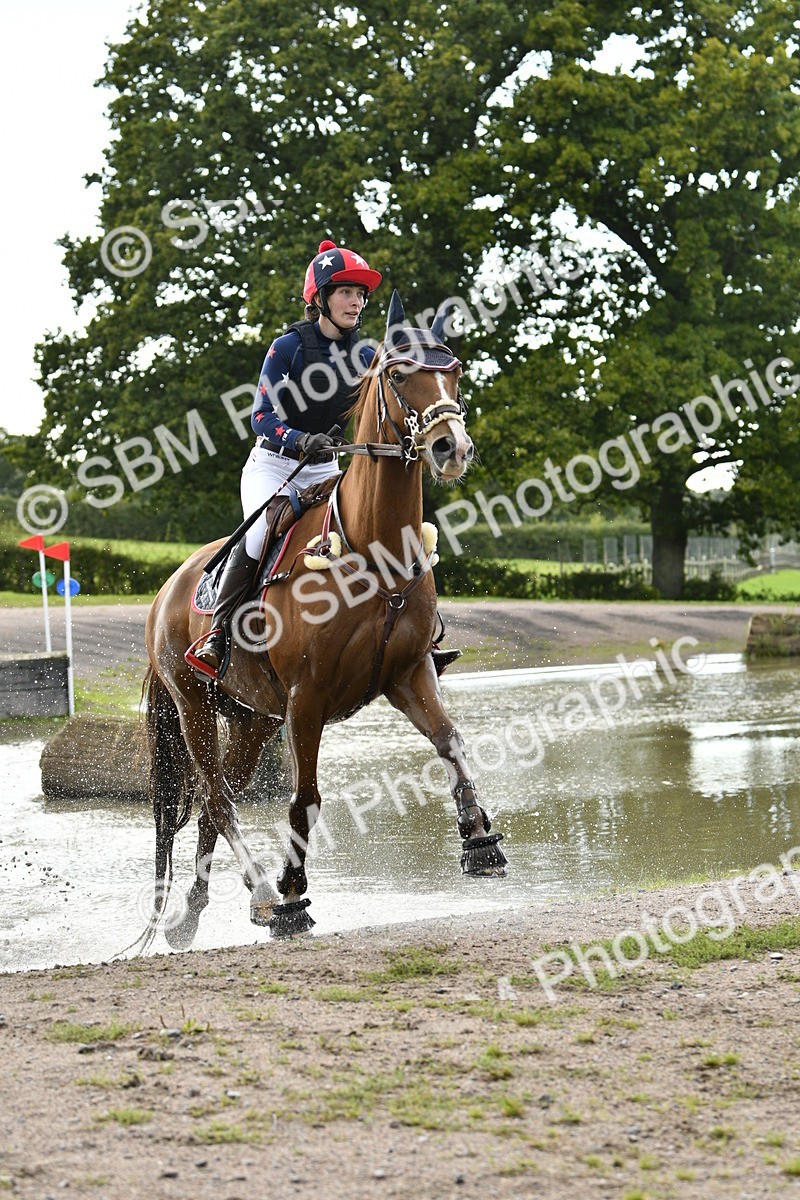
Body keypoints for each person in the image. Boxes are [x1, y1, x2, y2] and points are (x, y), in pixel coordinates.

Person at [190, 239, 382, 677]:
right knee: (257, 538)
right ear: (321, 299)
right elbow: (260, 416)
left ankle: (408, 637)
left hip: (329, 469)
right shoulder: (287, 347)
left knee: (370, 533)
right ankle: (219, 634)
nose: (357, 302)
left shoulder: (367, 356)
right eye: (347, 292)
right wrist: (298, 439)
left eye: (361, 294)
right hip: (275, 466)